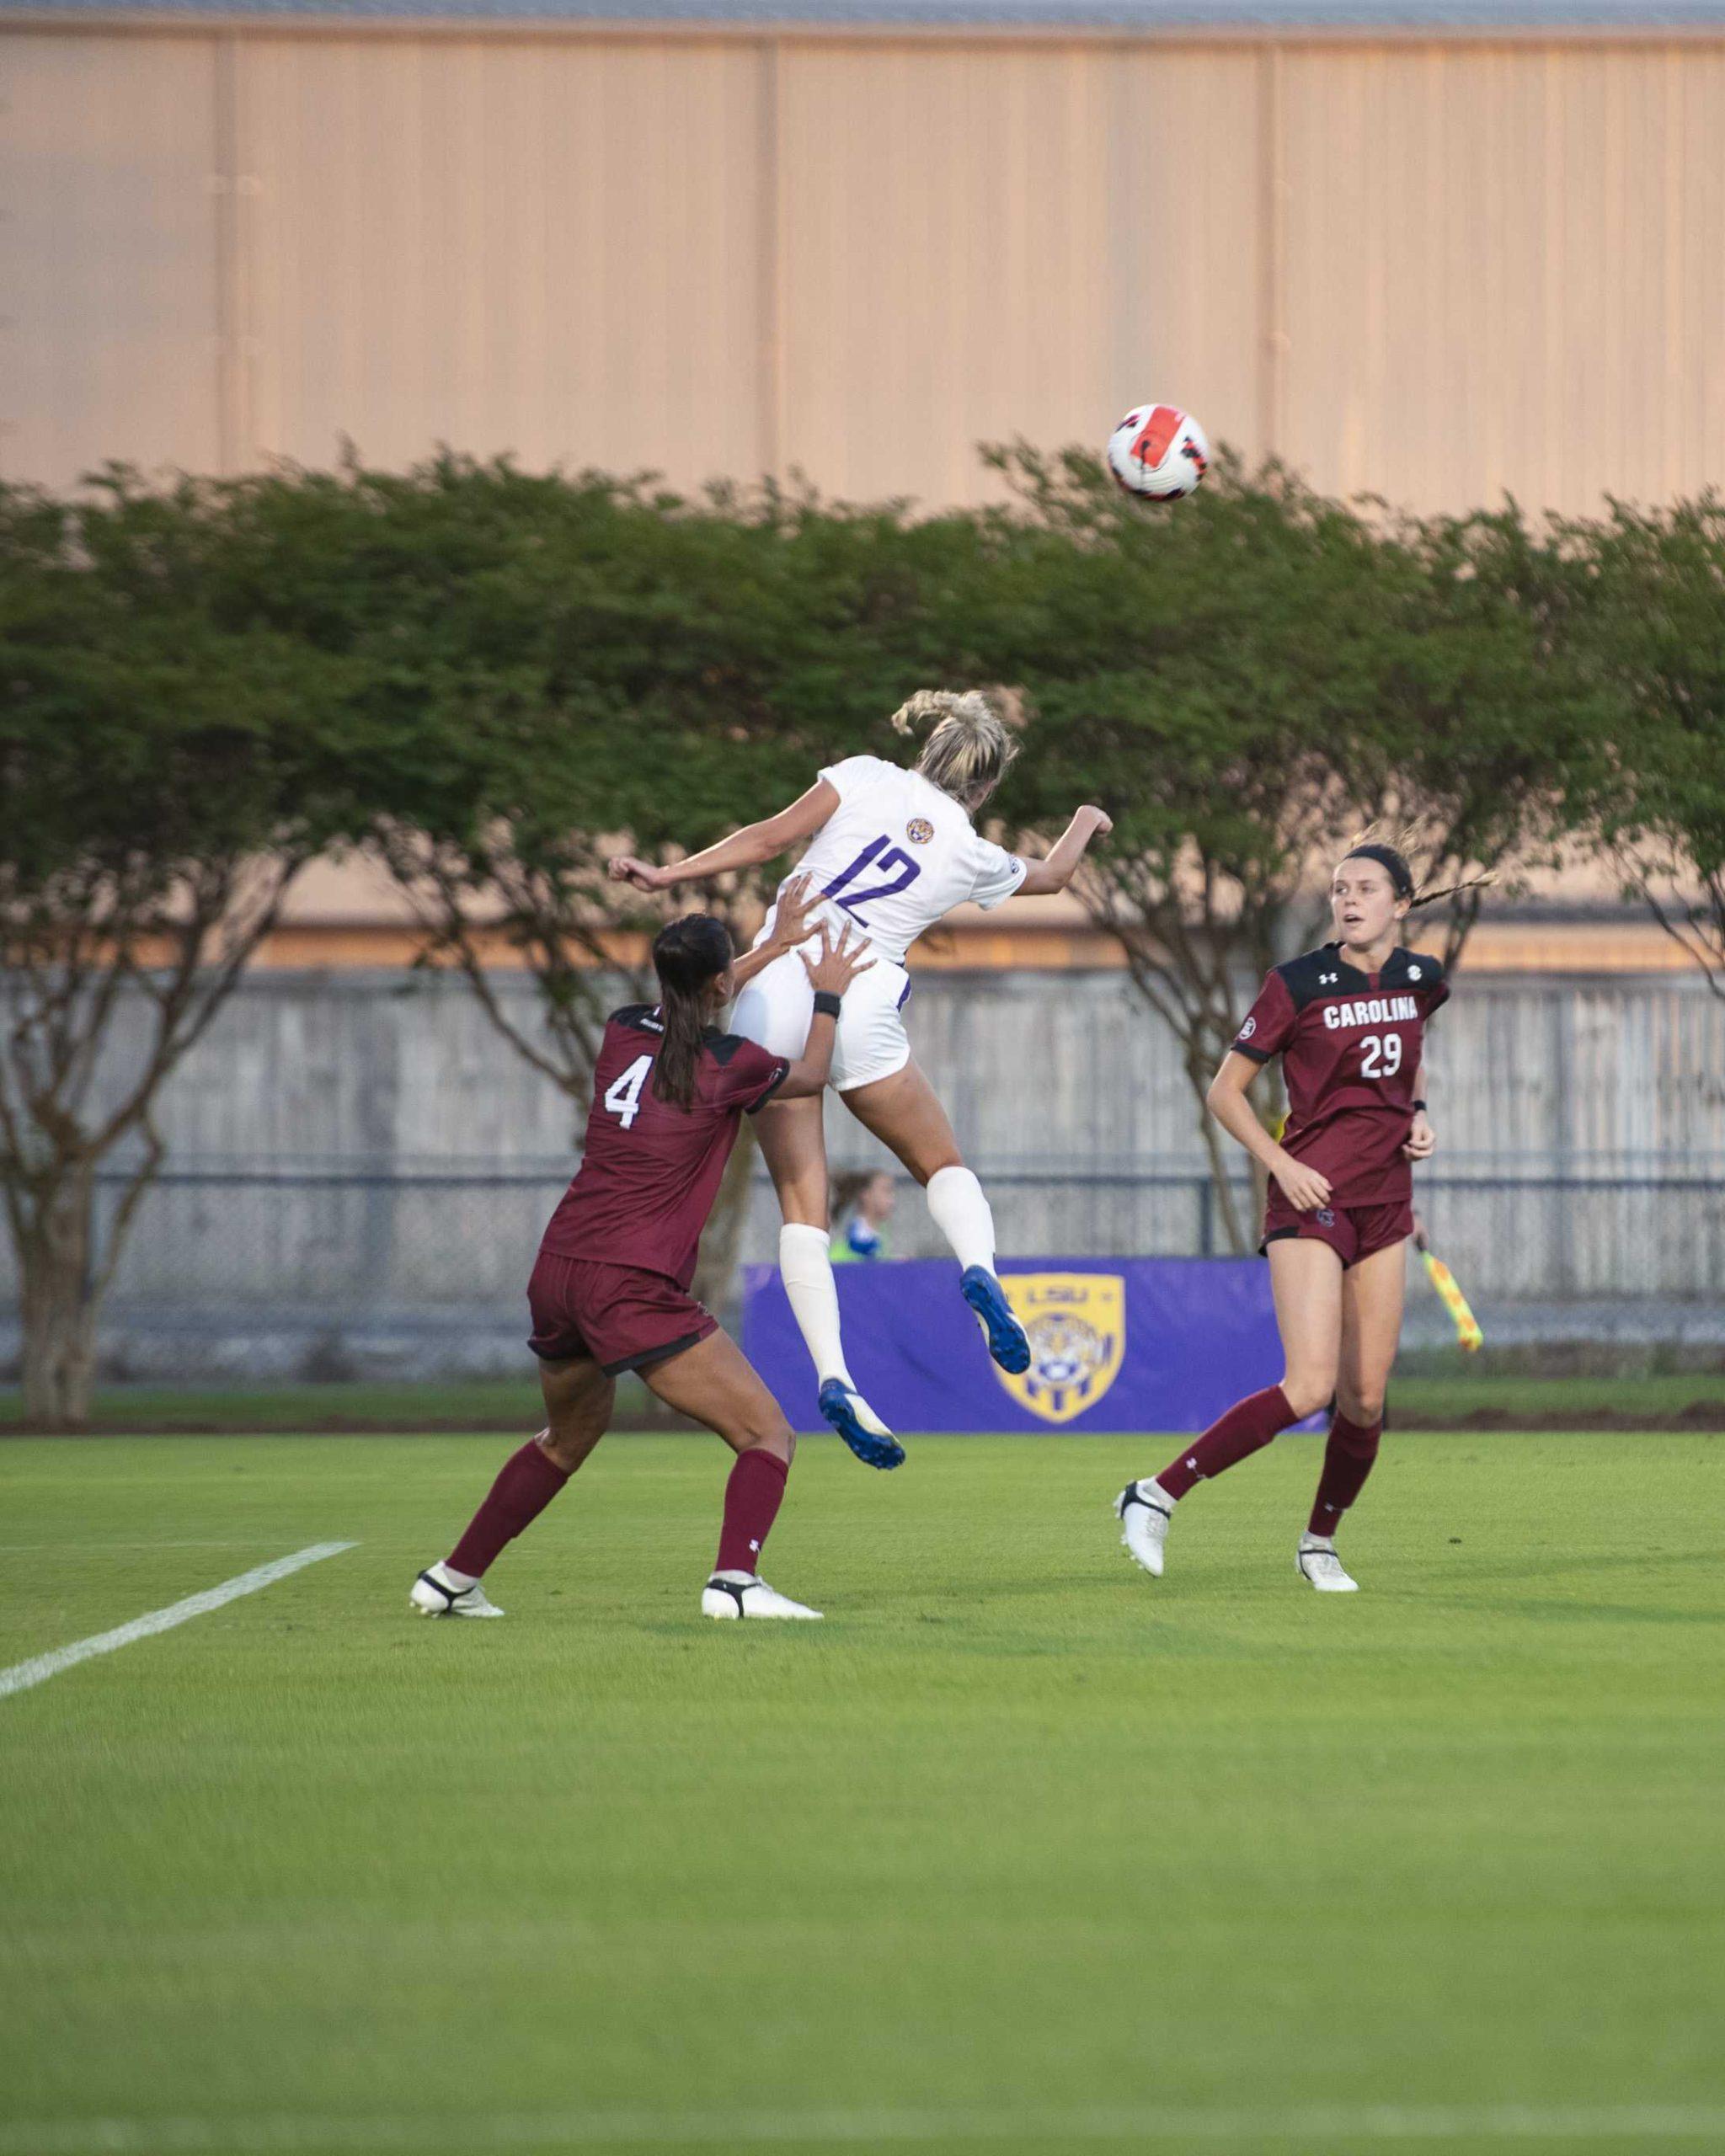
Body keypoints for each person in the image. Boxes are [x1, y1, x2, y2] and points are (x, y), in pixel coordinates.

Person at [608, 690, 1112, 1471]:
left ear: (928, 752)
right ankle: (980, 1274)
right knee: (940, 1165)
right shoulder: (971, 849)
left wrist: (669, 873)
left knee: (804, 1211)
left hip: (774, 985)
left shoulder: (867, 774)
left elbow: (769, 838)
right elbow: (1050, 877)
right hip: (863, 989)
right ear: (982, 786)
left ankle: (835, 1378)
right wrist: (1085, 819)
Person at [410, 883, 872, 1623]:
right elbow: (810, 1078)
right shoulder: (731, 1064)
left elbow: (697, 1001)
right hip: (629, 1282)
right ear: (720, 983)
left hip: (559, 1268)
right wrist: (827, 996)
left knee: (567, 1437)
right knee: (766, 1434)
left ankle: (451, 1579)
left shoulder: (623, 1029)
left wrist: (773, 947)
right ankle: (734, 1585)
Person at [1115, 841, 1461, 1593]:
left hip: (1387, 1203)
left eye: (1367, 889)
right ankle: (1156, 1494)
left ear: (1401, 903)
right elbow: (1224, 1093)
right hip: (1310, 1198)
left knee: (1366, 1399)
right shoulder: (1296, 984)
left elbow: (1407, 1055)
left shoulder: (1422, 979)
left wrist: (1421, 1112)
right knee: (1310, 1387)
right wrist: (1283, 1164)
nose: (1349, 900)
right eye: (1340, 889)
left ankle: (1318, 1543)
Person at [830, 1170, 895, 1263]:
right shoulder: (855, 1235)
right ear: (866, 1195)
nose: (892, 1199)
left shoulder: (883, 1232)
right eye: (886, 1191)